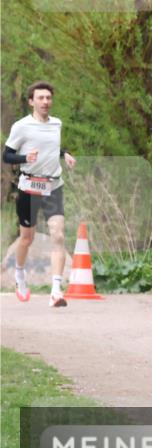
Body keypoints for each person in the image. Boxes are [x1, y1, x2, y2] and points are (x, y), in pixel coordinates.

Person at [3, 81, 76, 307]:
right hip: (29, 188)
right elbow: (7, 156)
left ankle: (56, 291)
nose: (45, 102)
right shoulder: (21, 126)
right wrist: (26, 159)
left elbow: (51, 147)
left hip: (53, 186)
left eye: (48, 98)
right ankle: (20, 275)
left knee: (58, 235)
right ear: (31, 101)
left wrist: (65, 154)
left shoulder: (56, 123)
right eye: (41, 98)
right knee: (27, 238)